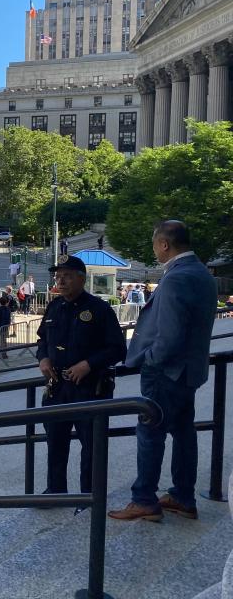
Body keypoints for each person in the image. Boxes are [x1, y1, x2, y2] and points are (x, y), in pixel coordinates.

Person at [109, 221, 218, 522]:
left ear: (165, 245)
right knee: (184, 432)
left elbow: (169, 335)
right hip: (189, 372)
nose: (154, 249)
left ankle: (144, 499)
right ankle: (183, 496)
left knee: (149, 432)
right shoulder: (202, 275)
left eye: (155, 243)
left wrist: (151, 360)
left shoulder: (176, 278)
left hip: (166, 371)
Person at [36, 255, 126, 495]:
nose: (61, 280)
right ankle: (55, 492)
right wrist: (43, 358)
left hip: (89, 388)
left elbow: (117, 348)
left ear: (81, 279)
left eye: (66, 276)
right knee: (55, 442)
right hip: (57, 388)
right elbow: (42, 339)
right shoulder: (55, 306)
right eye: (58, 276)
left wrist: (88, 364)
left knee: (92, 447)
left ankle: (89, 497)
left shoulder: (99, 309)